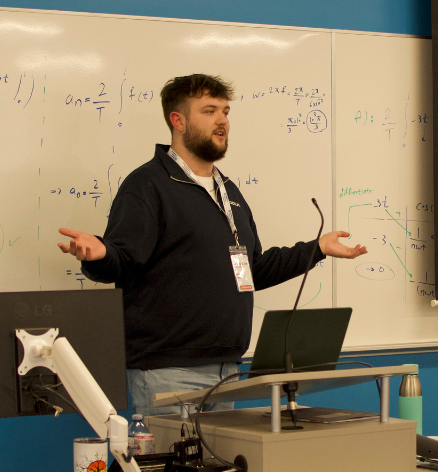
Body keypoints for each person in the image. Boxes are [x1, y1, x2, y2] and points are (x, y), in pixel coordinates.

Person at [57, 74, 367, 416]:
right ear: (178, 120)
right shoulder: (147, 185)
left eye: (225, 111)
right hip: (168, 370)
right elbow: (122, 259)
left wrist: (317, 249)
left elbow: (253, 269)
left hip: (227, 369)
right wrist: (99, 254)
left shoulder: (229, 191)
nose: (222, 121)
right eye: (209, 111)